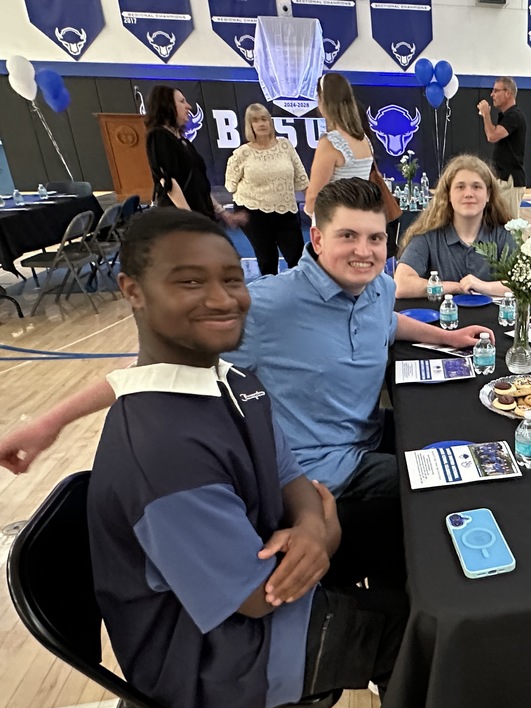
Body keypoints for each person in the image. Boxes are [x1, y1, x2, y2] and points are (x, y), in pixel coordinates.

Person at [0, 179, 490, 588]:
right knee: (445, 491)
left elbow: (389, 321)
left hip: (361, 435)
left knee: (462, 434)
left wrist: (447, 336)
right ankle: (402, 615)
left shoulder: (378, 285)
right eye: (348, 237)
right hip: (320, 475)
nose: (364, 252)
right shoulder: (265, 306)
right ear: (316, 239)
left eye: (375, 239)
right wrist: (51, 422)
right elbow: (158, 369)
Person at [88, 207, 407, 708]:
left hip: (261, 572)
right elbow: (261, 597)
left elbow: (289, 475)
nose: (221, 298)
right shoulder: (162, 454)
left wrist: (308, 521)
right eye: (190, 281)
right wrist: (321, 537)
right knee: (423, 629)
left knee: (418, 539)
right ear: (133, 291)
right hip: (217, 659)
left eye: (232, 279)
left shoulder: (232, 380)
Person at [394, 154, 515, 298]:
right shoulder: (427, 236)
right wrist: (455, 287)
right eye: (460, 187)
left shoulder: (503, 234)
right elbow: (401, 285)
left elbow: (522, 285)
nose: (468, 194)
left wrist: (481, 286)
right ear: (448, 195)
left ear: (488, 194)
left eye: (476, 187)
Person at [225, 103, 310, 275]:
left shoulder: (285, 145)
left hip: (286, 210)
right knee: (267, 261)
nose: (261, 123)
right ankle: (271, 298)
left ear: (270, 122)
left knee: (298, 259)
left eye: (264, 119)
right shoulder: (242, 153)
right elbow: (230, 185)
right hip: (253, 212)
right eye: (255, 120)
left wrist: (312, 206)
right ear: (250, 125)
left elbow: (301, 178)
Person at [144, 85, 245, 227]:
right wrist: (191, 220)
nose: (189, 106)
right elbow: (168, 182)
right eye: (182, 101)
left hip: (200, 217)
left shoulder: (182, 140)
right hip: (181, 223)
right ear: (167, 105)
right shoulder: (159, 136)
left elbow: (198, 183)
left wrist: (222, 212)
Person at [304, 73, 375, 222]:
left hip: (333, 221)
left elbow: (314, 194)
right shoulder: (364, 139)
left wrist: (311, 214)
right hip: (360, 218)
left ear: (323, 101)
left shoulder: (330, 143)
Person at [477, 77, 527, 212]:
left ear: (508, 93)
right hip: (502, 179)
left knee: (510, 225)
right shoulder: (506, 116)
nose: (492, 95)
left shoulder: (515, 116)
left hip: (510, 181)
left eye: (495, 91)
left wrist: (486, 114)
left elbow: (492, 136)